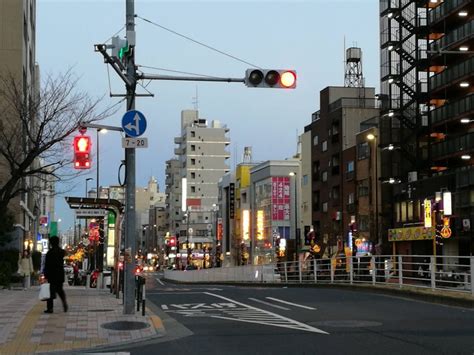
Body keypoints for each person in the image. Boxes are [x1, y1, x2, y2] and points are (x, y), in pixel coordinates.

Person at [43, 236, 68, 313]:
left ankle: (50, 308)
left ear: (51, 243)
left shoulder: (49, 253)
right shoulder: (61, 252)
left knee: (50, 291)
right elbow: (64, 254)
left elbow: (47, 265)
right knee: (60, 290)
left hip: (52, 274)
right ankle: (64, 302)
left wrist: (45, 275)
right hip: (60, 274)